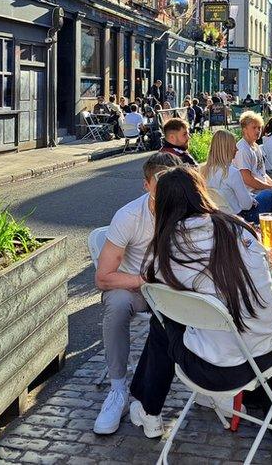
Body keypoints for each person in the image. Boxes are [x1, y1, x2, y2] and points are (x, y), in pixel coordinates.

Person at [128, 166, 272, 438]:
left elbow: (153, 290)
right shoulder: (239, 228)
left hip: (215, 371)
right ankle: (164, 403)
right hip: (266, 353)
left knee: (162, 322)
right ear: (201, 193)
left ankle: (149, 410)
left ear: (160, 205)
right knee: (185, 316)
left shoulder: (165, 248)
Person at [93, 153, 184, 435]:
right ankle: (118, 389)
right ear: (147, 185)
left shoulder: (186, 209)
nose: (168, 191)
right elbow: (103, 277)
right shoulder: (130, 216)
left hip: (174, 291)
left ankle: (206, 381)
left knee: (207, 304)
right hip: (137, 288)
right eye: (161, 184)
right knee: (116, 304)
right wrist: (144, 279)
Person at [202, 130, 272, 222]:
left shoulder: (202, 170)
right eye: (234, 146)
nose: (237, 149)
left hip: (216, 218)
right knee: (268, 194)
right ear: (227, 149)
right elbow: (246, 205)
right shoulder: (232, 172)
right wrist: (251, 199)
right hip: (238, 219)